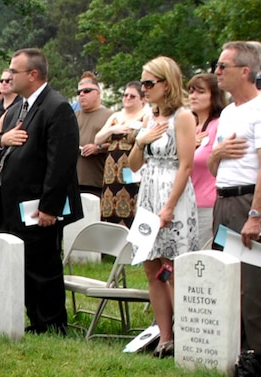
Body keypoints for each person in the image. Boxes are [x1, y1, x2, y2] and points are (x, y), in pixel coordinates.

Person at [0, 47, 82, 334]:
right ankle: (35, 320)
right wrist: (3, 140)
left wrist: (50, 207)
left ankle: (52, 323)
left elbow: (61, 163)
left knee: (42, 265)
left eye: (13, 72)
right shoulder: (16, 109)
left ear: (33, 74)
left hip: (38, 206)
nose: (7, 77)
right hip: (12, 203)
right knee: (22, 265)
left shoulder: (57, 107)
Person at [208, 40, 261, 359]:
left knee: (251, 282)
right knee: (225, 277)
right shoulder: (228, 112)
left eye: (222, 66)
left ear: (245, 71)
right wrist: (218, 153)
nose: (217, 72)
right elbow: (214, 166)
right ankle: (232, 348)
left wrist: (256, 215)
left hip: (247, 202)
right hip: (223, 201)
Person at [124, 59, 198, 356]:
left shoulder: (183, 116)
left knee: (174, 266)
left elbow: (187, 164)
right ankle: (164, 337)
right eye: (142, 84)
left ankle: (185, 335)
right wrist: (141, 141)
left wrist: (168, 207)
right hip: (148, 192)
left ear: (166, 83)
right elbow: (132, 166)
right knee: (152, 266)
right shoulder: (149, 118)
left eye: (149, 84)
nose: (144, 89)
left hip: (173, 195)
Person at [185, 72, 226, 254]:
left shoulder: (219, 125)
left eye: (200, 92)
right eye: (191, 91)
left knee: (202, 258)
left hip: (208, 204)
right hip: (186, 202)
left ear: (214, 95)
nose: (193, 96)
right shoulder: (191, 127)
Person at [95, 81, 147, 226]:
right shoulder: (115, 116)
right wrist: (113, 129)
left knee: (132, 204)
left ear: (142, 99)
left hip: (133, 169)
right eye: (125, 95)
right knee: (109, 209)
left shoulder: (146, 116)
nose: (127, 98)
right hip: (112, 173)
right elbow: (97, 139)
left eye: (132, 96)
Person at [74, 74, 112, 200]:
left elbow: (120, 146)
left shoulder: (111, 116)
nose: (82, 94)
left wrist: (98, 148)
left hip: (97, 182)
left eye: (87, 91)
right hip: (74, 181)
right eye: (79, 92)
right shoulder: (72, 117)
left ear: (98, 93)